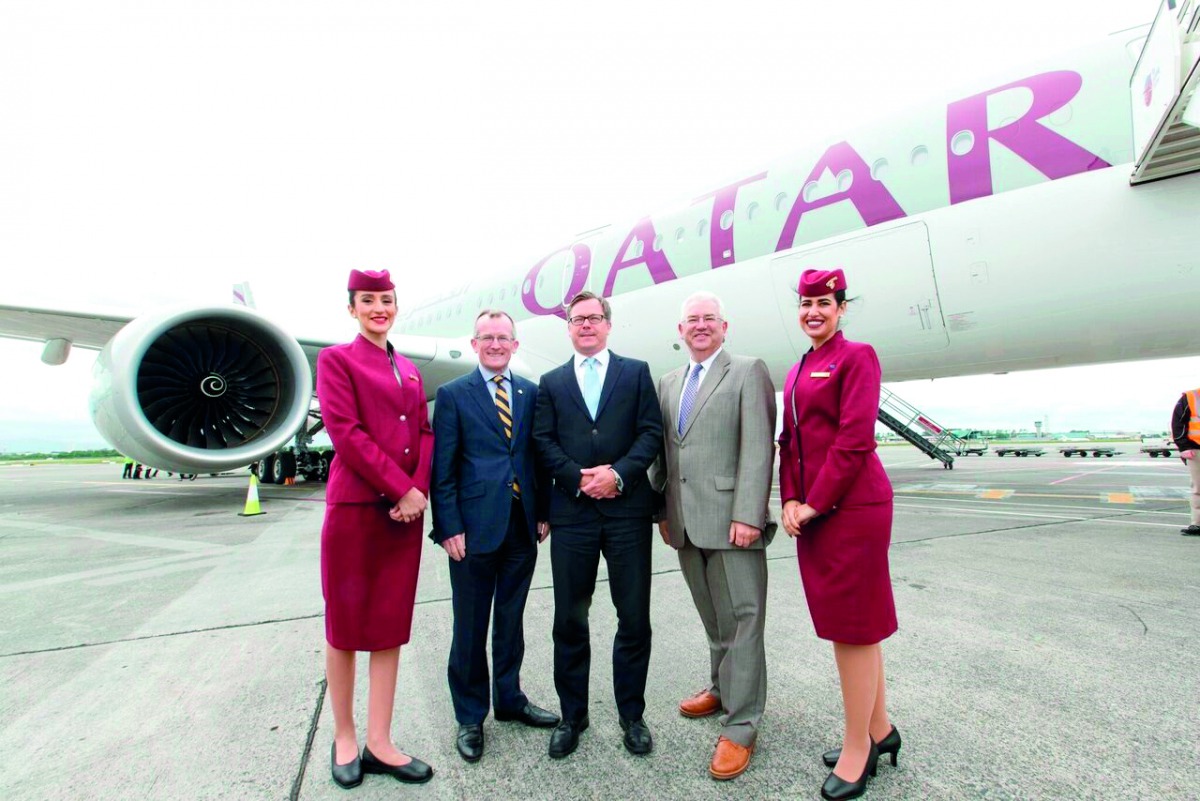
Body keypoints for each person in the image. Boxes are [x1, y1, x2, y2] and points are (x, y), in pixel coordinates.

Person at [778, 268, 900, 801]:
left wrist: (812, 504)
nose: (814, 312)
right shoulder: (801, 366)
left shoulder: (857, 356)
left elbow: (854, 439)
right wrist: (787, 498)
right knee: (852, 625)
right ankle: (880, 729)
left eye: (824, 302)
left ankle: (859, 749)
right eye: (806, 303)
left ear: (842, 307)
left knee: (853, 626)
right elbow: (790, 442)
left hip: (850, 507)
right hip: (815, 510)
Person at [315, 269, 435, 788]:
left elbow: (425, 432)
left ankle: (380, 741)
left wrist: (418, 491)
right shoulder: (336, 360)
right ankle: (345, 736)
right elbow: (346, 432)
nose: (378, 308)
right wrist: (400, 489)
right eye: (368, 301)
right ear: (352, 308)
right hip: (358, 510)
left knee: (388, 627)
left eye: (386, 300)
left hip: (402, 514)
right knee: (344, 629)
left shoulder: (408, 369)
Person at [649, 291, 776, 780]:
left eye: (709, 319)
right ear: (680, 331)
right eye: (691, 320)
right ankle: (722, 688)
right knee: (713, 616)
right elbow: (664, 454)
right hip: (684, 521)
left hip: (731, 520)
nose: (700, 326)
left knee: (744, 619)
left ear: (725, 327)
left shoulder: (747, 371)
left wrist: (748, 513)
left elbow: (758, 446)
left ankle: (742, 725)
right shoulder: (669, 381)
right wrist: (662, 510)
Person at [532, 290, 664, 759]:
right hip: (573, 514)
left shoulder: (635, 372)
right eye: (577, 319)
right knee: (569, 619)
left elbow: (651, 432)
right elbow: (542, 440)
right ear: (568, 328)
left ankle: (632, 714)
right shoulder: (550, 381)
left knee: (634, 618)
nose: (586, 325)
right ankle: (573, 716)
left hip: (627, 513)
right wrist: (577, 480)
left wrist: (618, 475)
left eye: (594, 318)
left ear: (608, 324)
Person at [430, 309, 560, 763]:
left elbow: (537, 457)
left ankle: (509, 699)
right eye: (487, 338)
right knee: (469, 627)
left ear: (515, 344)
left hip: (522, 527)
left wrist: (542, 510)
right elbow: (442, 469)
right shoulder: (453, 395)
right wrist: (448, 526)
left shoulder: (529, 392)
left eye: (503, 337)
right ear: (474, 343)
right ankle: (470, 715)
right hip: (471, 531)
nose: (496, 345)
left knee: (511, 621)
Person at [1170, 387, 1200, 536]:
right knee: (1198, 489)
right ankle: (1197, 524)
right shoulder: (1191, 397)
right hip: (1197, 450)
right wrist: (1183, 446)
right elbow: (1178, 423)